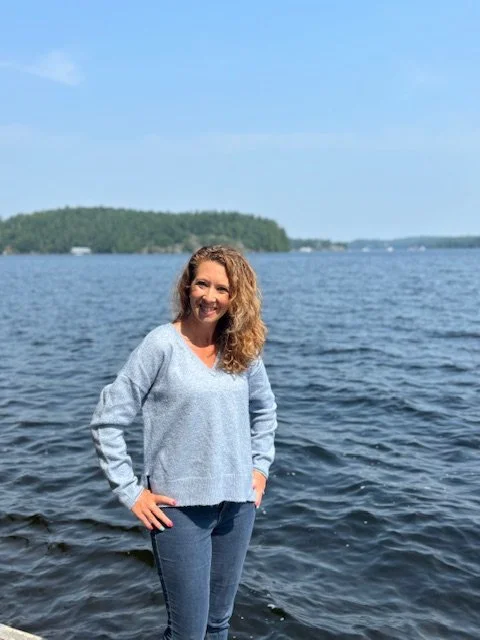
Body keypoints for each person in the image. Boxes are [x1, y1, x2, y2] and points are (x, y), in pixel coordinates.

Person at [91, 245, 277, 639]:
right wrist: (131, 492)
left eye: (222, 289)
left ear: (235, 296)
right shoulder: (161, 346)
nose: (210, 296)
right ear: (187, 287)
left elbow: (265, 411)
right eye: (202, 284)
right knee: (188, 632)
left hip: (238, 508)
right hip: (180, 512)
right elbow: (107, 421)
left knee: (218, 624)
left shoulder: (242, 349)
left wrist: (260, 467)